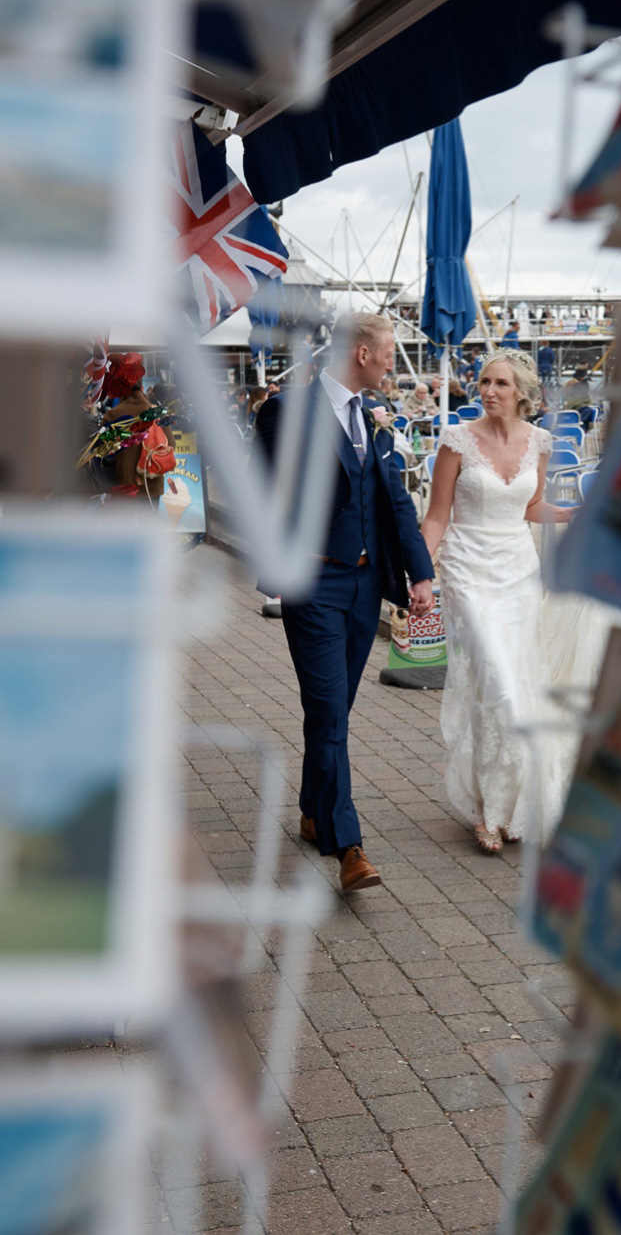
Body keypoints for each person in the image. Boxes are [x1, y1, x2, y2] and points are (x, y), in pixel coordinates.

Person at [256, 312, 435, 893]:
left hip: (364, 588)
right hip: (314, 586)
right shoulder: (288, 410)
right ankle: (348, 846)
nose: (394, 363)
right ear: (361, 353)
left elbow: (398, 505)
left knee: (331, 715)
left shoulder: (373, 419)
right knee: (331, 714)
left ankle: (312, 811)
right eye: (388, 352)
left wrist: (421, 576)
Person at [420, 349, 583, 853]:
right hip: (468, 571)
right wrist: (422, 573)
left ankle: (509, 803)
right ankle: (486, 811)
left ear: (522, 395)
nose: (488, 390)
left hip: (519, 572)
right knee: (499, 685)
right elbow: (436, 516)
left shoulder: (540, 442)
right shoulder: (456, 441)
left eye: (500, 384)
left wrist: (575, 515)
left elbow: (530, 506)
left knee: (516, 685)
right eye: (484, 381)